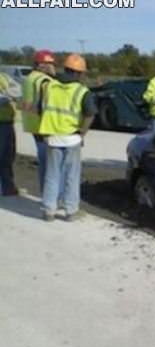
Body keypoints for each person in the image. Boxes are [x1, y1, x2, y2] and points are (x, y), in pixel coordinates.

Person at [38, 53, 97, 221]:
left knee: (52, 173)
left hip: (52, 136)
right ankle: (71, 211)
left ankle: (49, 210)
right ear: (79, 73)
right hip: (71, 138)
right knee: (71, 174)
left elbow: (41, 109)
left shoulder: (49, 87)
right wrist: (82, 132)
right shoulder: (81, 91)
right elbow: (90, 114)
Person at [21, 49, 56, 194]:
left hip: (33, 125)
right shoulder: (44, 80)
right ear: (42, 65)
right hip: (44, 126)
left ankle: (45, 193)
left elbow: (26, 104)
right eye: (50, 64)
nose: (52, 66)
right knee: (49, 164)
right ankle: (49, 196)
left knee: (44, 162)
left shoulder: (29, 78)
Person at [0, 70, 18, 196]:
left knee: (8, 156)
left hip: (8, 122)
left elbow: (18, 90)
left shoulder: (4, 76)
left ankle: (8, 187)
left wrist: (6, 94)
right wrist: (8, 96)